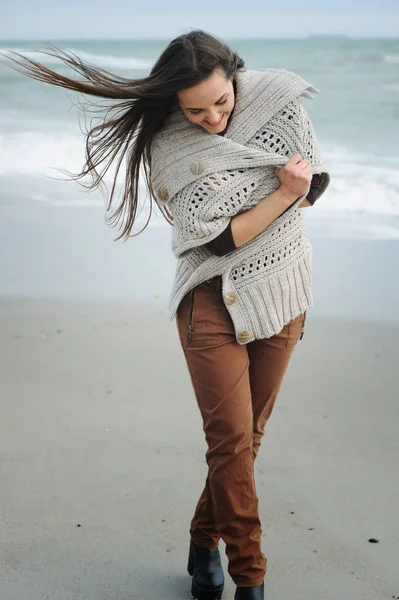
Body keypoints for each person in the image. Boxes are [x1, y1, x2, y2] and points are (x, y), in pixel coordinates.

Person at [2, 29, 330, 600]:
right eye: (194, 109)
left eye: (221, 102)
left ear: (237, 77)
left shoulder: (279, 99)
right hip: (210, 299)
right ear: (175, 103)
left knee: (247, 438)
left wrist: (284, 195)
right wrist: (277, 194)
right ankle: (250, 579)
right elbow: (218, 241)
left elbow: (313, 186)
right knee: (229, 440)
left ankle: (204, 541)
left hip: (282, 289)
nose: (211, 118)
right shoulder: (168, 146)